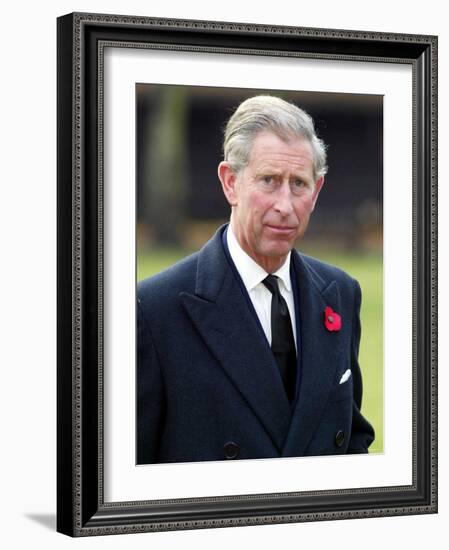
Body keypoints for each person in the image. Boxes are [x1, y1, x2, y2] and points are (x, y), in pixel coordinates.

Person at [137, 95, 375, 464]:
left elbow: (352, 439)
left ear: (317, 192)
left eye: (299, 183)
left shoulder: (341, 294)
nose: (285, 204)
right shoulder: (154, 309)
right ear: (230, 182)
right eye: (269, 181)